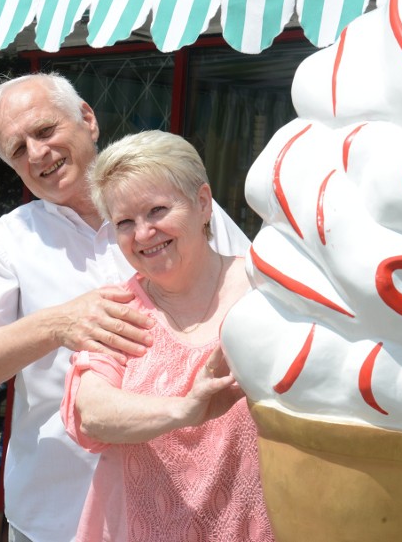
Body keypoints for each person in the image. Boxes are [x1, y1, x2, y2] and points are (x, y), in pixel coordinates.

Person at [0, 73, 250, 542]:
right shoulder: (7, 242)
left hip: (197, 510)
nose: (37, 153)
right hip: (61, 509)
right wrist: (58, 325)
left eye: (44, 131)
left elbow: (255, 310)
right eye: (18, 149)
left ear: (87, 117)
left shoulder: (180, 207)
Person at [60, 130, 272, 541]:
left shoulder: (268, 293)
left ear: (203, 203)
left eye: (156, 210)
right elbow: (93, 412)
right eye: (124, 222)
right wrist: (183, 410)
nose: (142, 234)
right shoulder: (118, 310)